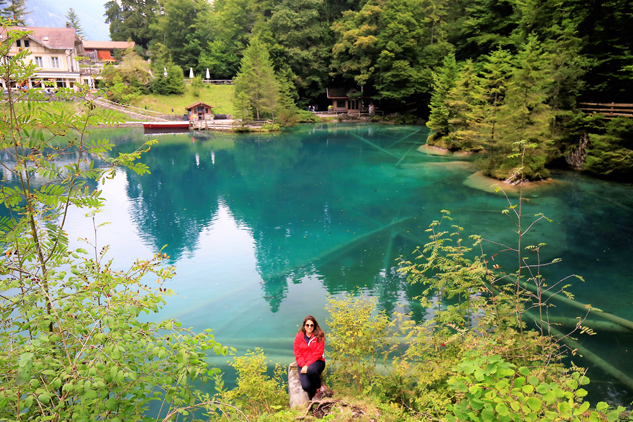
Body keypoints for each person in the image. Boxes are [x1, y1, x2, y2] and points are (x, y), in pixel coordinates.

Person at [293, 315, 332, 400]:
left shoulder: (319, 336)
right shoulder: (299, 336)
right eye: (307, 325)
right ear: (304, 326)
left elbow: (318, 353)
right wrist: (303, 365)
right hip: (303, 364)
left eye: (311, 325)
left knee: (311, 370)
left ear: (314, 326)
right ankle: (315, 392)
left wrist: (307, 365)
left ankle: (320, 389)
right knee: (306, 386)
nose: (309, 327)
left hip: (317, 361)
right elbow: (297, 352)